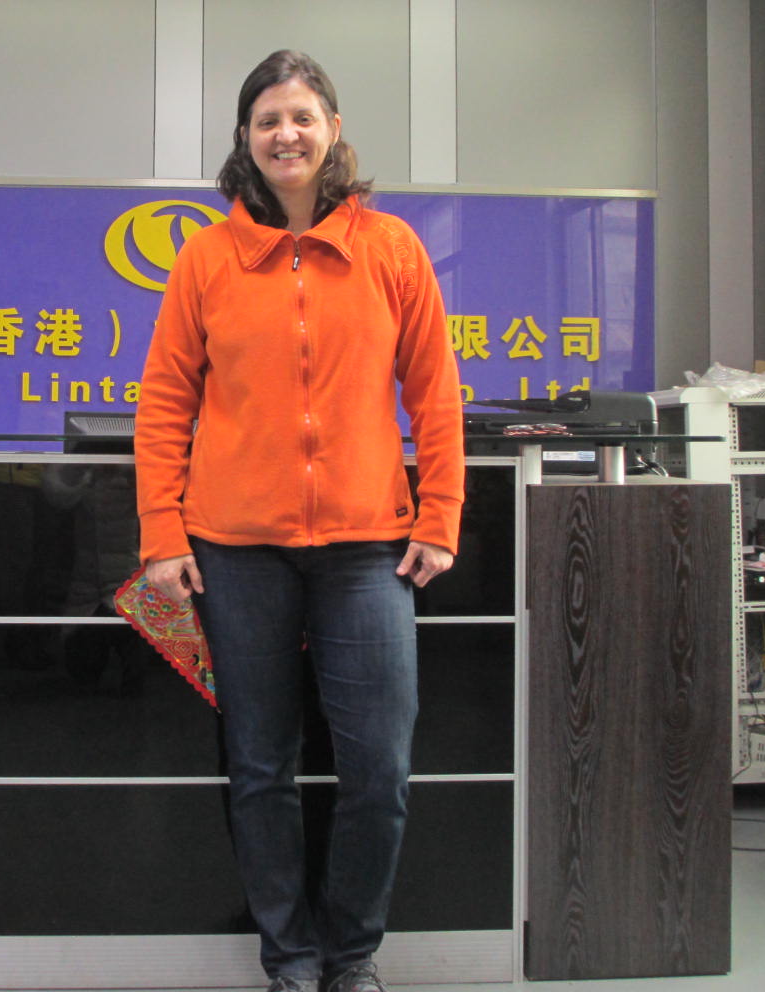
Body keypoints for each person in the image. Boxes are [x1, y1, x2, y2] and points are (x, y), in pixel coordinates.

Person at [134, 50, 465, 992]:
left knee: (378, 770)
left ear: (332, 132)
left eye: (303, 117)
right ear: (246, 138)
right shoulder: (207, 258)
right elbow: (165, 403)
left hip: (367, 550)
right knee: (260, 767)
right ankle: (288, 957)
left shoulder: (390, 249)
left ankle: (351, 954)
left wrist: (439, 514)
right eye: (268, 119)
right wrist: (162, 535)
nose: (287, 134)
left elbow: (435, 393)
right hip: (237, 552)